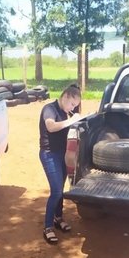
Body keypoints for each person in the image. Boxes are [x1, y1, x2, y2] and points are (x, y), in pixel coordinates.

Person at [39, 84, 82, 244]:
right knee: (56, 191)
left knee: (60, 188)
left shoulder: (67, 112)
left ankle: (58, 218)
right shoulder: (49, 109)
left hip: (62, 154)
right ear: (65, 97)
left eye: (75, 106)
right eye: (72, 104)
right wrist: (70, 120)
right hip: (49, 154)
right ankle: (48, 227)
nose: (73, 108)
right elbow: (50, 127)